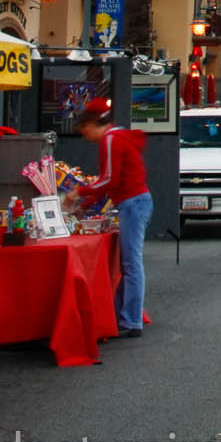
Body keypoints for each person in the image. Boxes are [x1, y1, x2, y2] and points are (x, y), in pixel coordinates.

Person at [74, 100, 150, 338]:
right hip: (135, 201)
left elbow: (109, 179)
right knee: (129, 261)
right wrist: (87, 204)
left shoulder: (110, 140)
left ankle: (132, 319)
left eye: (84, 130)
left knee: (131, 263)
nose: (85, 136)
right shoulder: (119, 138)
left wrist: (80, 193)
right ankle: (127, 314)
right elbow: (111, 180)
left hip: (131, 203)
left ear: (91, 124)